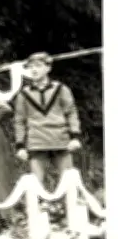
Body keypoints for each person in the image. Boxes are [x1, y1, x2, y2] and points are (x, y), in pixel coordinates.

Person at [13, 51, 82, 187]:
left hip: (60, 140)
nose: (34, 69)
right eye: (31, 66)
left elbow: (71, 112)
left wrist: (75, 136)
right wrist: (20, 145)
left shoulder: (61, 89)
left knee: (68, 185)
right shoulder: (23, 94)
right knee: (35, 186)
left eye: (38, 66)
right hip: (37, 142)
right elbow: (19, 120)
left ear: (48, 68)